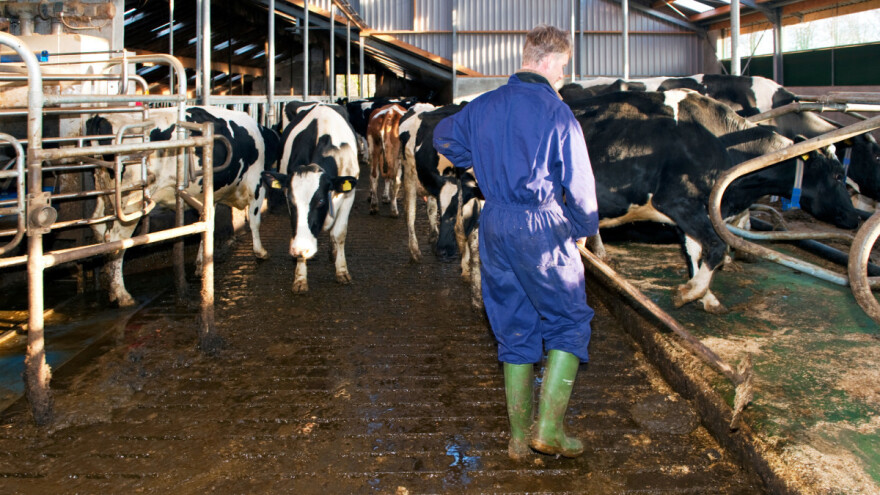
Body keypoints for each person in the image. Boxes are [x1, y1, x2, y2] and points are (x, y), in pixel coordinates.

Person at [433, 24, 599, 460]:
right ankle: (548, 429)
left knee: (513, 324)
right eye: (562, 69)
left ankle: (517, 439)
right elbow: (580, 186)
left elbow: (443, 136)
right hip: (541, 224)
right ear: (548, 62)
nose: (562, 78)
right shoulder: (557, 112)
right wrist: (583, 225)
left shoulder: (483, 105)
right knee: (569, 321)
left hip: (495, 221)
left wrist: (481, 166)